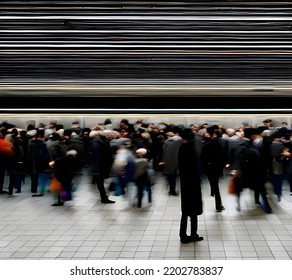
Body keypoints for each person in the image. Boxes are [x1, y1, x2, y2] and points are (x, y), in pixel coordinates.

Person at [178, 128, 203, 243]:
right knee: (193, 211)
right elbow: (194, 168)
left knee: (185, 211)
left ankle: (183, 234)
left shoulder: (182, 148)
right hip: (192, 184)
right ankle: (193, 234)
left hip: (185, 183)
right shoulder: (189, 149)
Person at [202, 126, 227, 212]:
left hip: (211, 168)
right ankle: (218, 203)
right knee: (215, 185)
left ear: (214, 135)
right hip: (216, 168)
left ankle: (218, 204)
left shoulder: (208, 144)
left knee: (215, 185)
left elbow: (204, 157)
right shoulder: (220, 143)